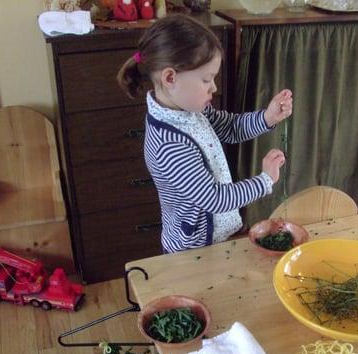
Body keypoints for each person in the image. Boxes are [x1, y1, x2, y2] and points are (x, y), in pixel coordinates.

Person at [117, 15, 293, 253]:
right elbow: (214, 198)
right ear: (171, 78)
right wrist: (264, 181)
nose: (214, 87)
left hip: (217, 236)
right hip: (193, 248)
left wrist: (267, 118)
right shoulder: (169, 144)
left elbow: (230, 128)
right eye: (206, 79)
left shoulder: (191, 110)